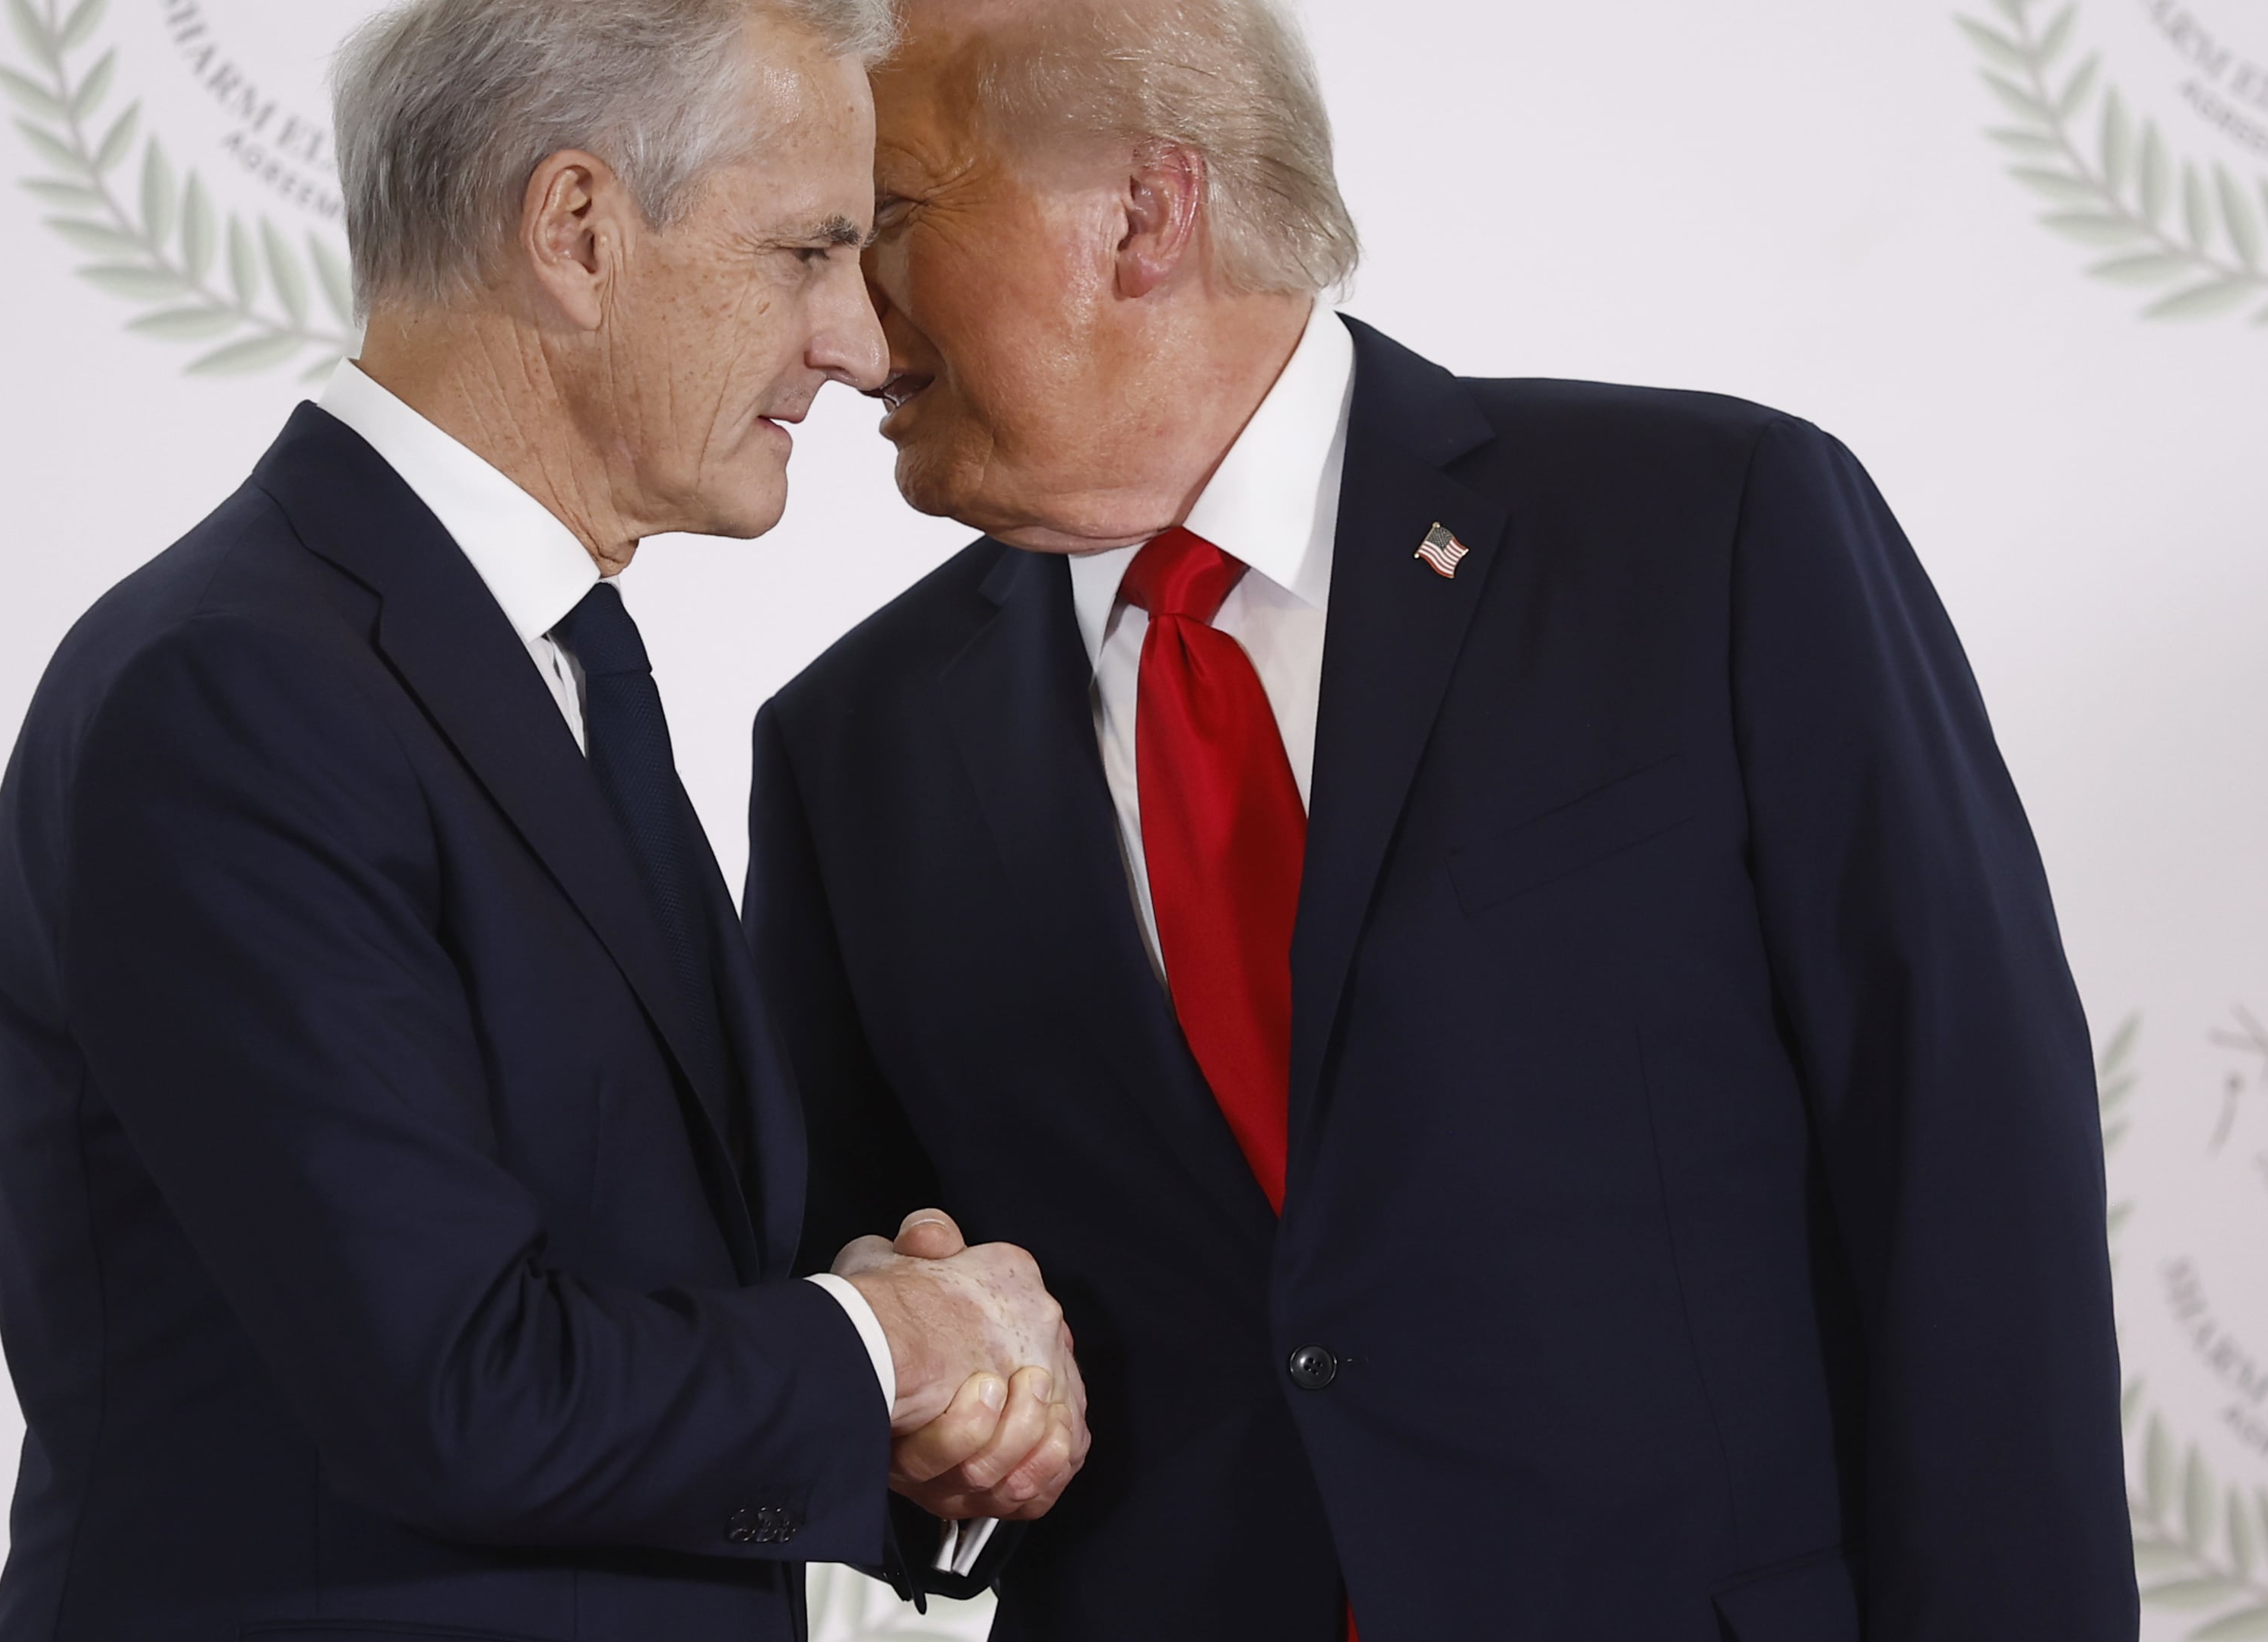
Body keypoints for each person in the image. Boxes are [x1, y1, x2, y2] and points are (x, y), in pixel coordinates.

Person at [744, 0, 2136, 1635]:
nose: (840, 325)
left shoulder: (1713, 533)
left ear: (1144, 214)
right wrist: (922, 1411)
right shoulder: (851, 747)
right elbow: (839, 1289)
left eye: (886, 221)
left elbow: (1965, 1178)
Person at [0, 2, 1085, 1637]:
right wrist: (887, 1349)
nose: (860, 341)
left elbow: (602, 1272)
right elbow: (454, 1385)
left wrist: (892, 1372)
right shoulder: (235, 693)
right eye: (806, 252)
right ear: (575, 232)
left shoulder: (548, 659)